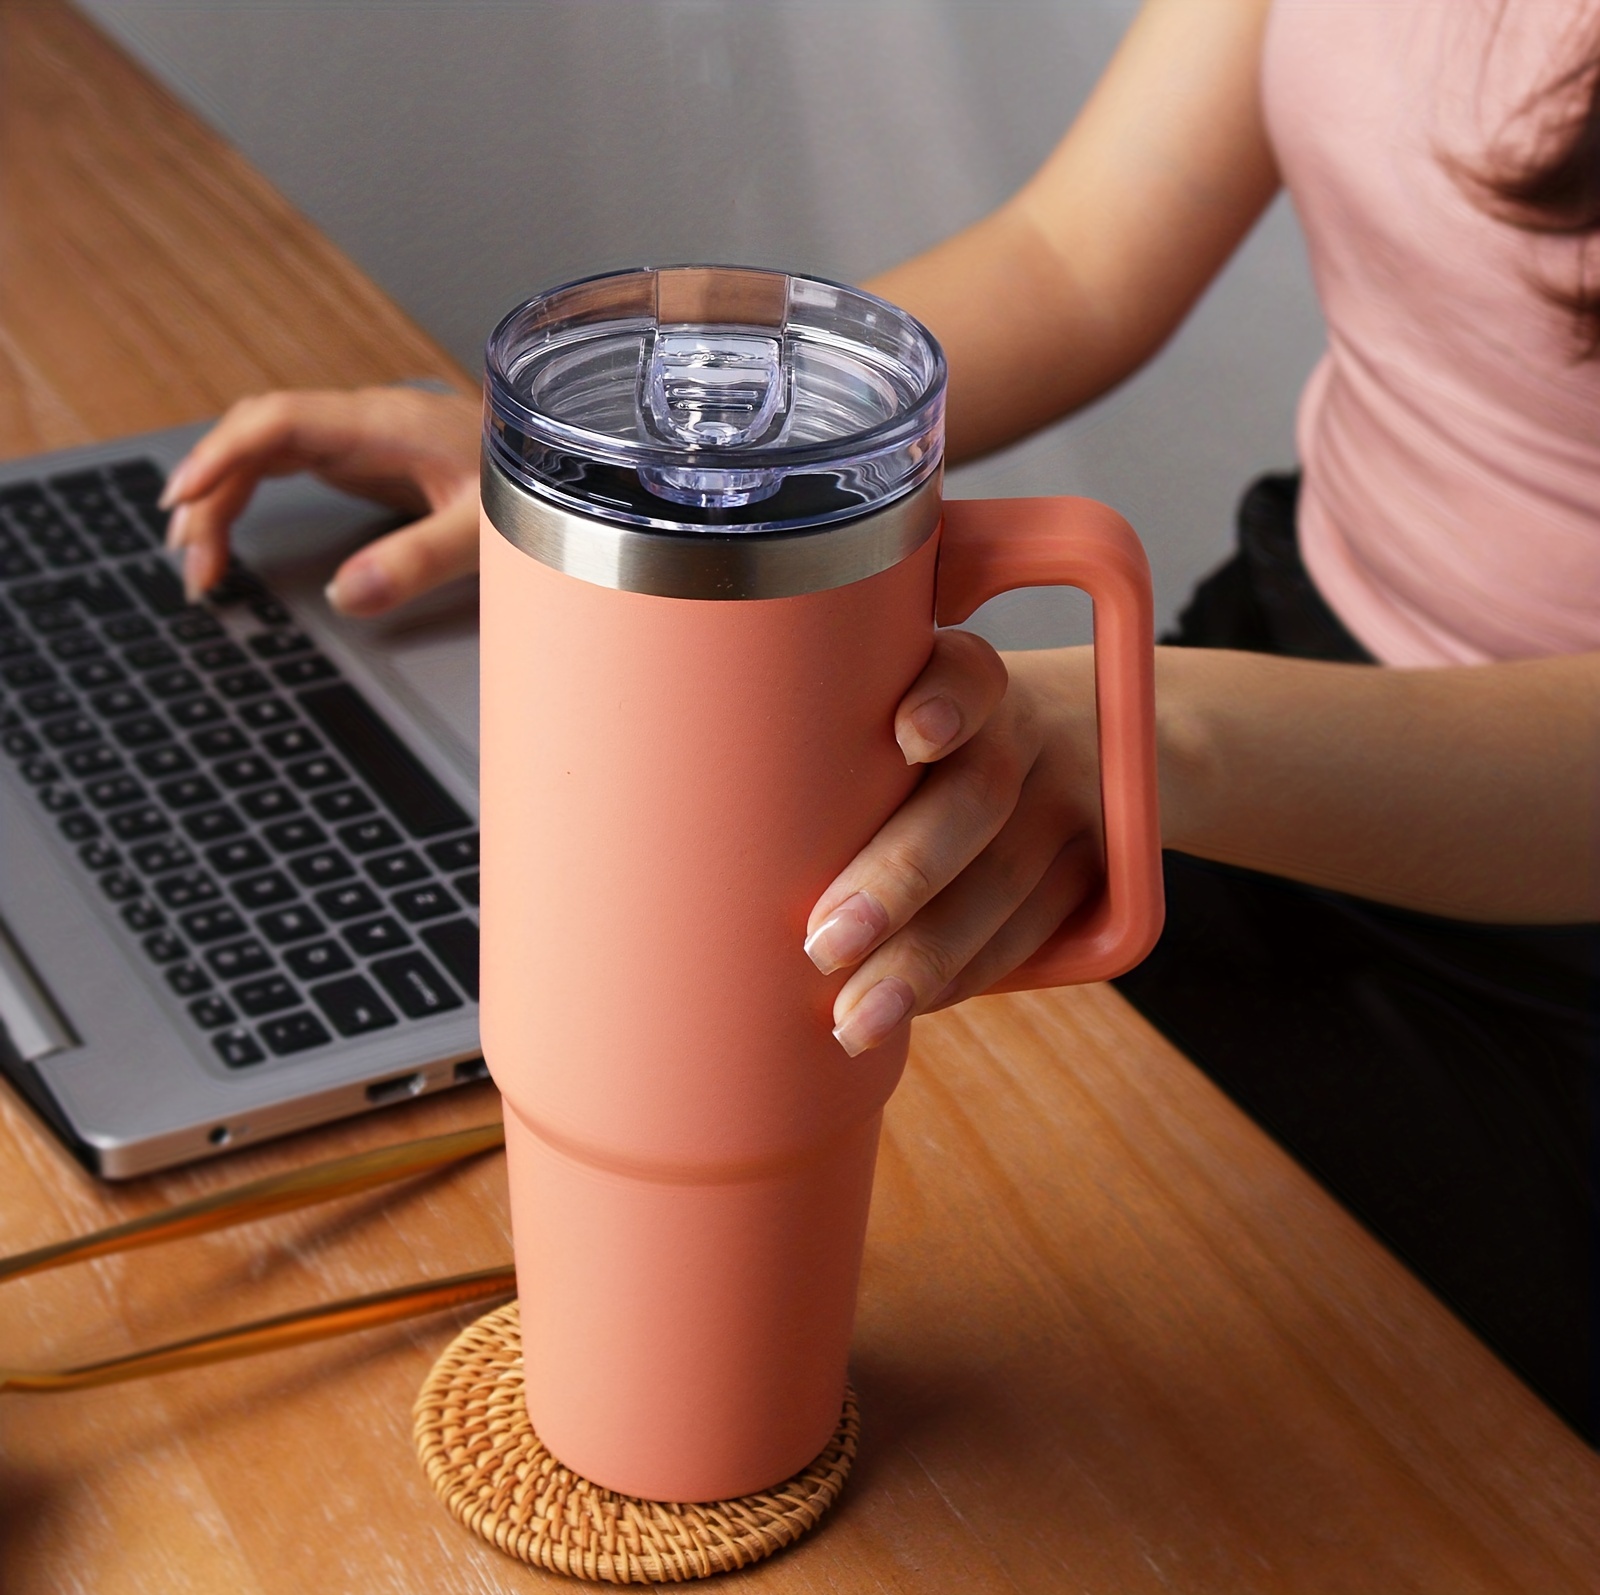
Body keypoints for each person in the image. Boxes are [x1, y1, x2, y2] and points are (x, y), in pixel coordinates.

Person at [160, 0, 1599, 1441]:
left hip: (1535, 938)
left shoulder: (1171, 743)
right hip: (1254, 682)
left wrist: (1144, 734)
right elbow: (1080, 253)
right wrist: (616, 478)